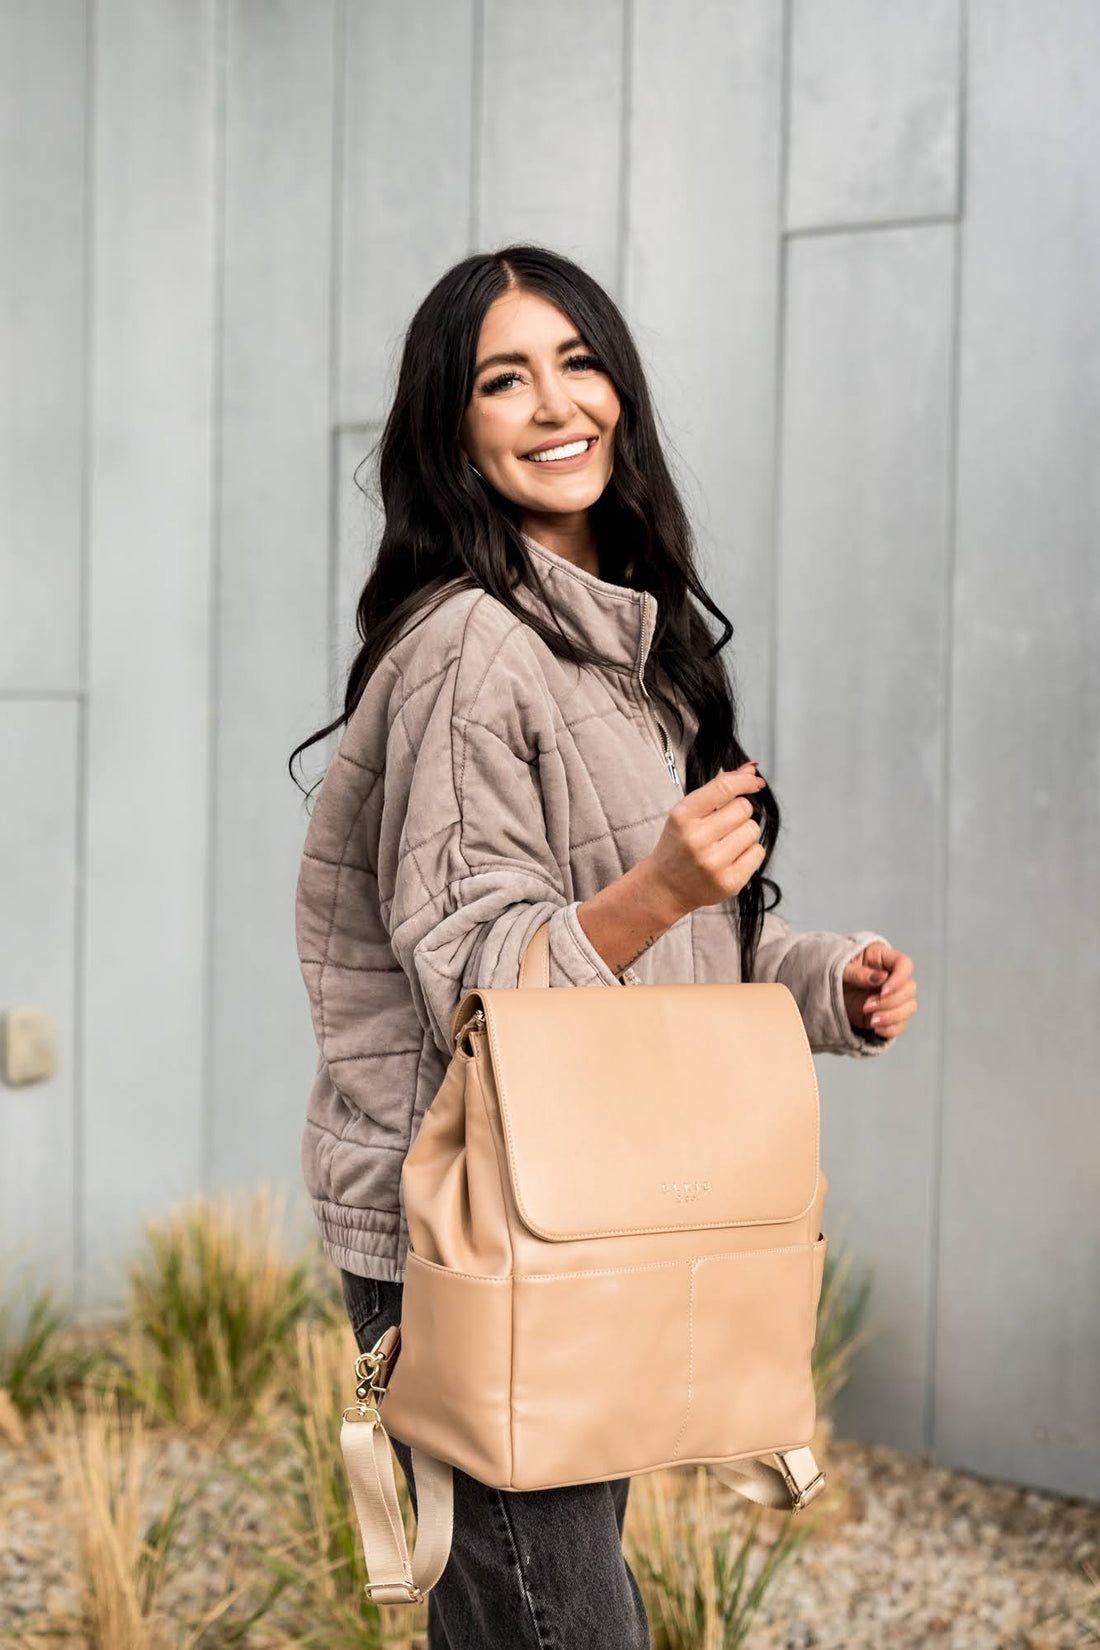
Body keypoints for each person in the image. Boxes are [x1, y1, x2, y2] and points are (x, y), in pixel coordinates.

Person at [289, 243, 917, 1647]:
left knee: (537, 1616)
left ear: (620, 395)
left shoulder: (624, 651)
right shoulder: (468, 648)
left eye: (578, 361)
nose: (554, 400)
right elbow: (475, 969)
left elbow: (690, 948)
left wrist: (829, 982)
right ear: (451, 428)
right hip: (475, 1231)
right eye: (503, 378)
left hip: (581, 1213)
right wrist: (656, 887)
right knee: (561, 1623)